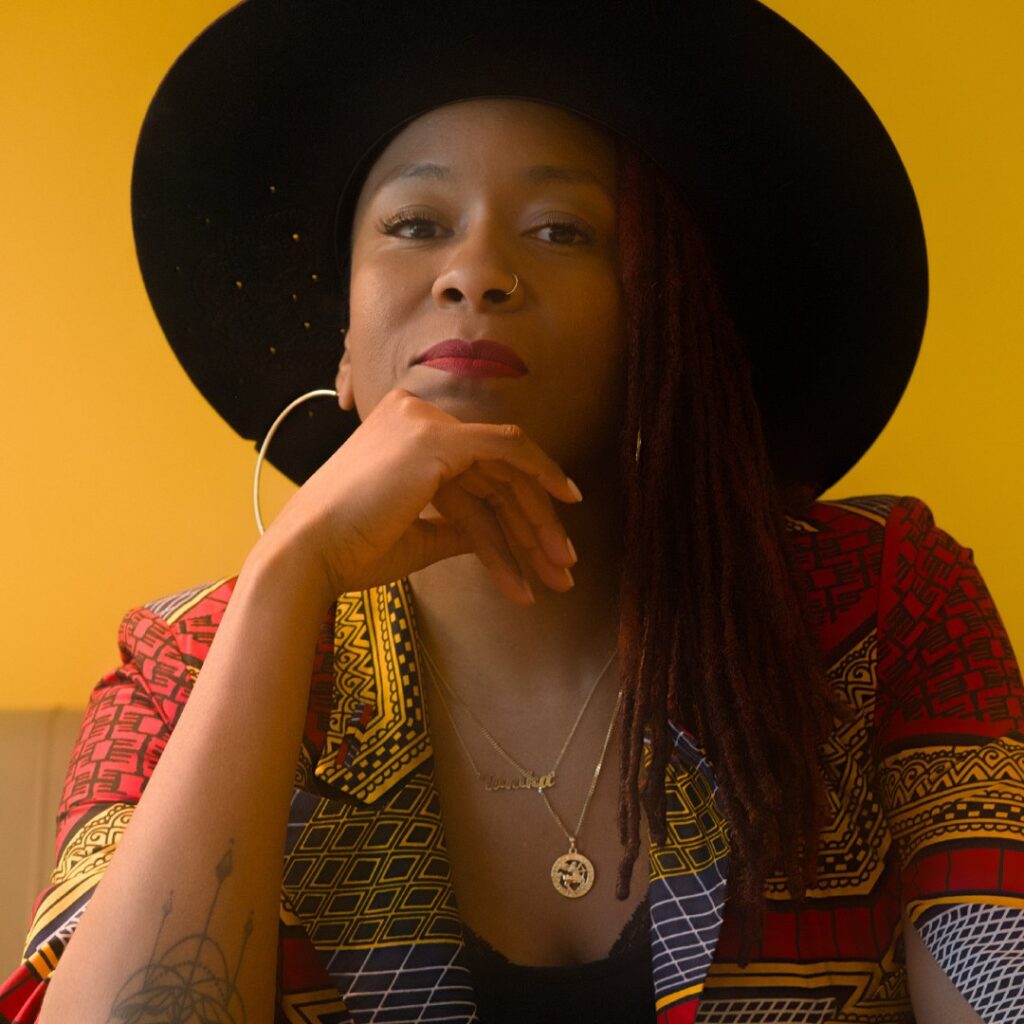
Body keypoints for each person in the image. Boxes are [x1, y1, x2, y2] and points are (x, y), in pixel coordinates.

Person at [2, 1, 1022, 1022]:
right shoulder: (181, 666)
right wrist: (286, 577)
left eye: (558, 230)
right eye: (415, 225)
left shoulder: (880, 605)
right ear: (344, 347)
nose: (476, 273)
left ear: (653, 323)